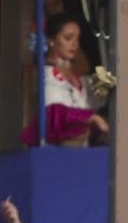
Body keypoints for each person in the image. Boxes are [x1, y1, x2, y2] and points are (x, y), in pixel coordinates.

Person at [32, 14, 107, 147]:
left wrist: (104, 81)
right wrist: (90, 118)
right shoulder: (47, 75)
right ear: (52, 40)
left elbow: (97, 100)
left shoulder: (77, 77)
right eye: (68, 38)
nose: (74, 44)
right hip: (57, 150)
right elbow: (54, 112)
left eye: (77, 39)